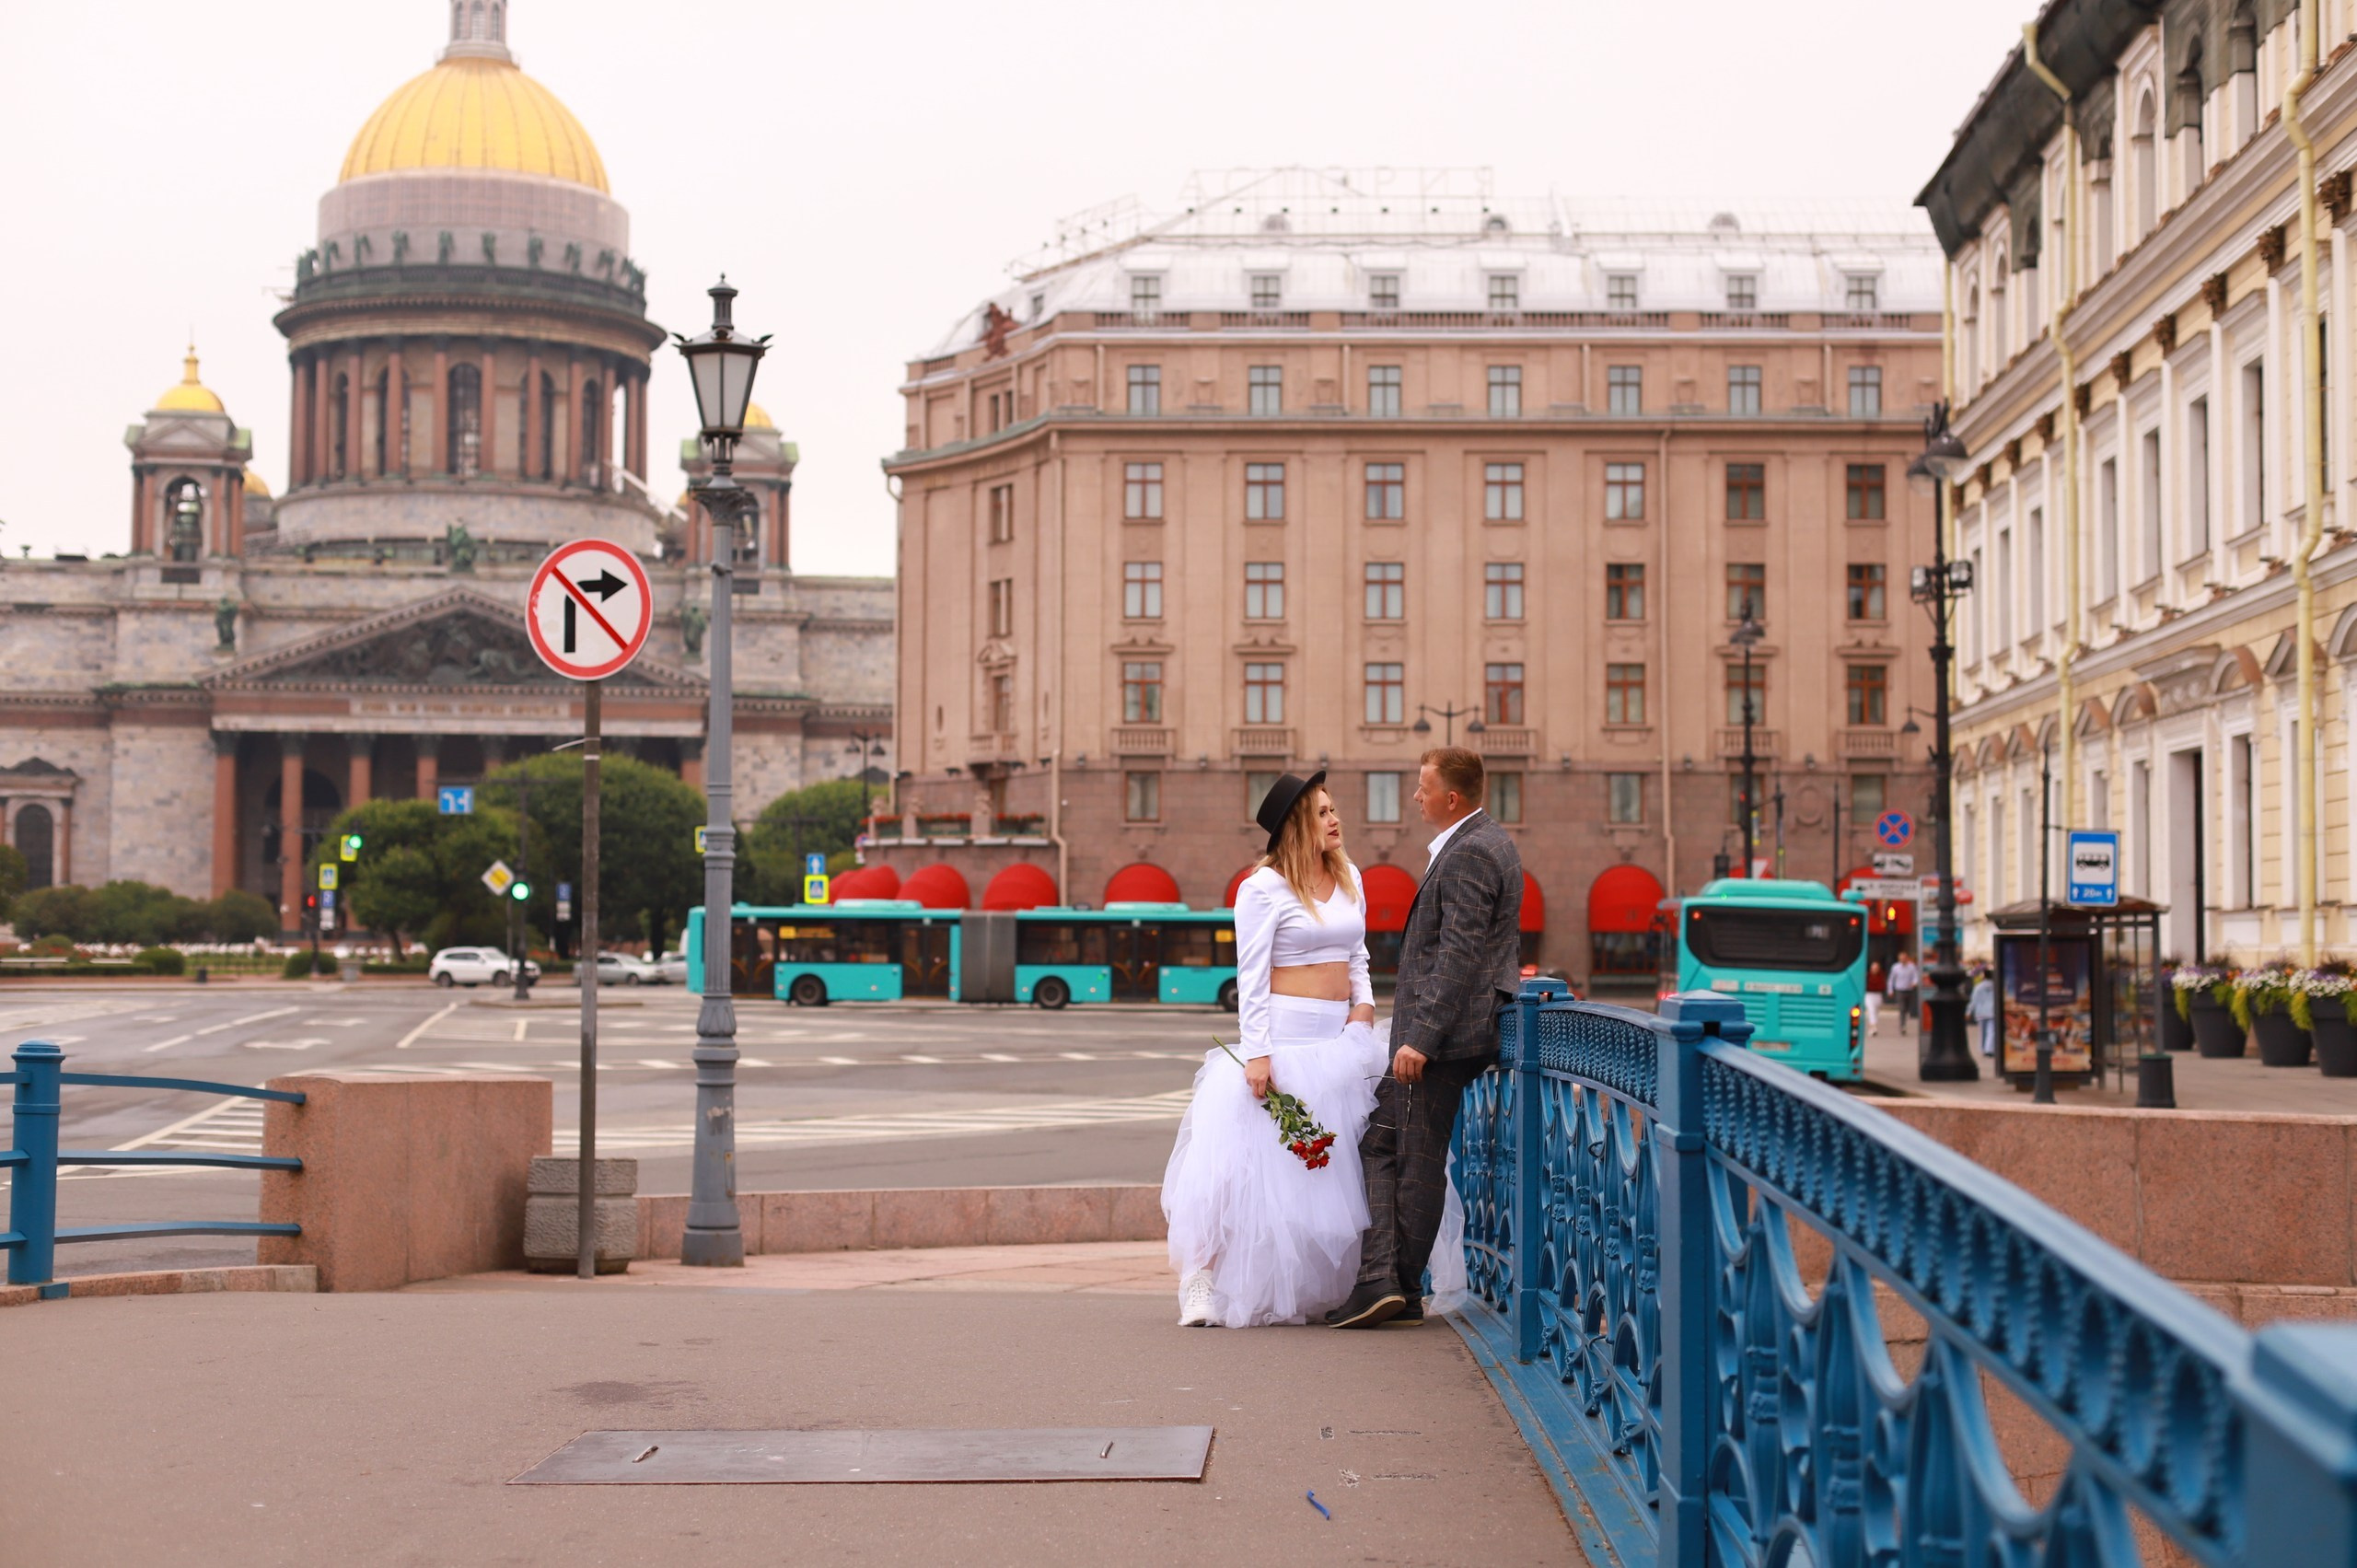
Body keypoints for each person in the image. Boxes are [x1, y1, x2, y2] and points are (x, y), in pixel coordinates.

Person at [1162, 772, 1389, 1328]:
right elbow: (1252, 974)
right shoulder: (1261, 888)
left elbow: (1356, 951)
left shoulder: (1349, 875)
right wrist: (1259, 1053)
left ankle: (1318, 1285)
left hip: (1342, 1041)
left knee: (1322, 1173)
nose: (1336, 820)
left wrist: (1364, 1002)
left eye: (1335, 810)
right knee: (1234, 1170)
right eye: (1323, 813)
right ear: (1296, 825)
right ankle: (1199, 1280)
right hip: (1282, 1041)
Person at [1328, 748, 1522, 1330]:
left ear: (1451, 798)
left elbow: (1458, 955)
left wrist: (1422, 1039)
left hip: (1443, 1039)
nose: (1416, 796)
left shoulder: (1469, 853)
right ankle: (1390, 1282)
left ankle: (1395, 1285)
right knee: (1387, 1144)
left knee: (1415, 1156)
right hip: (1448, 1034)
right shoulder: (1482, 844)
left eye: (1422, 787)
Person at [1887, 949, 1922, 1036]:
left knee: (1907, 1008)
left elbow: (1916, 976)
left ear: (1907, 958)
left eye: (1904, 958)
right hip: (1900, 990)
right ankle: (1902, 1025)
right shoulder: (1895, 967)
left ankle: (1904, 1020)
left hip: (1909, 989)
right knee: (1902, 1008)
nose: (1903, 959)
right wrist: (1890, 990)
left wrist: (1915, 983)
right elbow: (1891, 979)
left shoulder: (1912, 966)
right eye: (1901, 958)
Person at [1968, 965, 1998, 1058]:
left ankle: (1983, 1048)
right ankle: (1989, 1048)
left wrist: (1968, 1011)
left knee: (1982, 1032)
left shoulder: (1978, 987)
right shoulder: (1996, 986)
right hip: (1992, 1011)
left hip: (1981, 1012)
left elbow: (1974, 1000)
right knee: (1991, 1031)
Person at [1863, 958, 1884, 1035]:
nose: (1875, 970)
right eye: (1874, 968)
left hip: (1878, 994)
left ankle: (1872, 1027)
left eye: (1876, 968)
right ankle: (1874, 1027)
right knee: (1871, 1010)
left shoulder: (1881, 976)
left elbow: (1883, 985)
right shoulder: (1867, 975)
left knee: (1876, 1011)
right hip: (1869, 994)